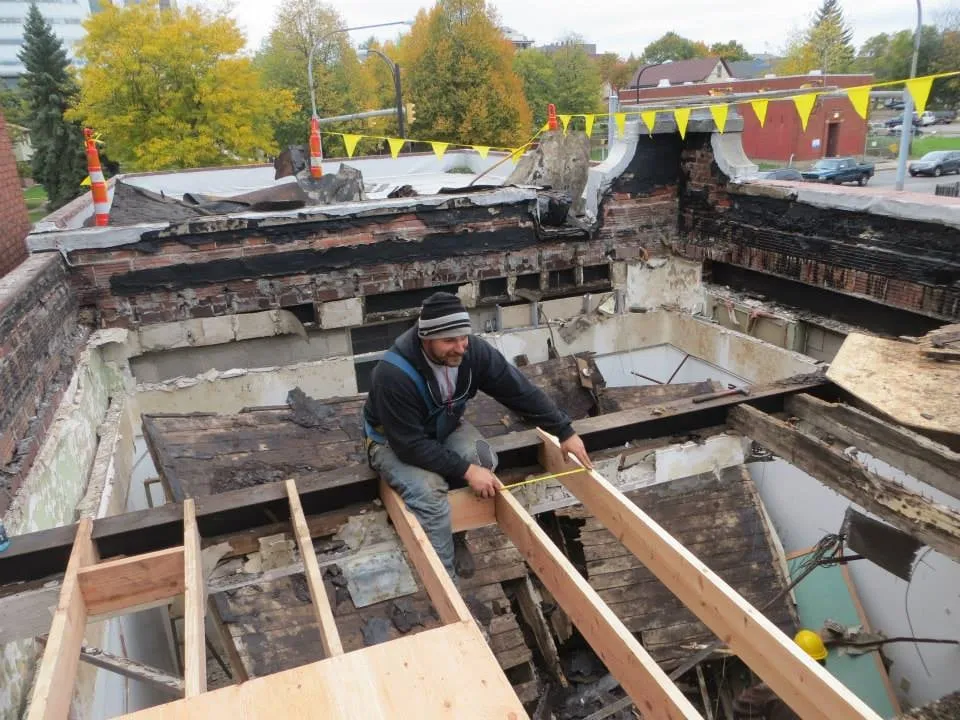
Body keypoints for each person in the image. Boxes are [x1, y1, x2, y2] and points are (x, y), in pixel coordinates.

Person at [362, 292, 592, 581]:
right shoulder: (393, 375)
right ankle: (446, 583)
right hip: (394, 442)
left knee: (484, 461)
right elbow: (410, 445)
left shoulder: (472, 353)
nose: (460, 348)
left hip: (444, 426)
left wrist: (564, 431)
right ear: (426, 338)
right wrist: (467, 471)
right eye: (449, 341)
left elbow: (519, 391)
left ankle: (456, 534)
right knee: (430, 494)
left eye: (463, 337)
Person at [732, 630, 829, 720]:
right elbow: (740, 707)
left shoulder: (822, 690)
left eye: (819, 664)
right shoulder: (774, 688)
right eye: (813, 664)